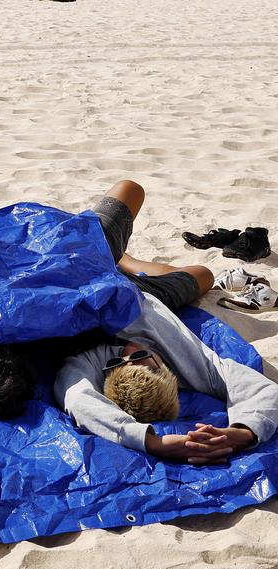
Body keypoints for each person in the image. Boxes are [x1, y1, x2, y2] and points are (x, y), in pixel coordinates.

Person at [54, 180, 278, 464]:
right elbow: (262, 389)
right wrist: (244, 432)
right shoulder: (193, 367)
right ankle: (125, 260)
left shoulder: (89, 363)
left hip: (86, 274)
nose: (126, 353)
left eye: (118, 363)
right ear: (164, 367)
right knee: (203, 274)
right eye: (141, 357)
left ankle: (116, 256)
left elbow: (77, 399)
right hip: (145, 298)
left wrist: (151, 442)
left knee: (128, 189)